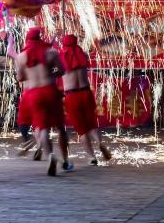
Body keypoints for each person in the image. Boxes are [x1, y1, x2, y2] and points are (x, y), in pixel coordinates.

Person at [14, 27, 72, 175]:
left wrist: (31, 74)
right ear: (40, 37)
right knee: (60, 128)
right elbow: (61, 70)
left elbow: (20, 78)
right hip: (50, 90)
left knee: (42, 128)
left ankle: (50, 156)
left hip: (33, 94)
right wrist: (50, 72)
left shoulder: (21, 57)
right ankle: (65, 160)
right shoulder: (51, 52)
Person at [60, 34, 111, 165]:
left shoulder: (61, 58)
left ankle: (92, 157)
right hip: (86, 93)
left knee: (82, 130)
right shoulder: (82, 55)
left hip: (72, 96)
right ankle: (99, 143)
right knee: (91, 124)